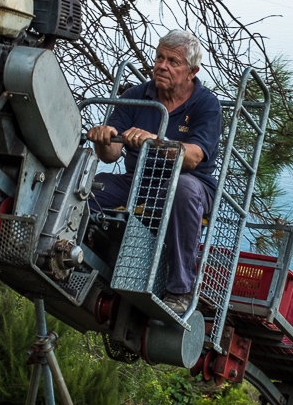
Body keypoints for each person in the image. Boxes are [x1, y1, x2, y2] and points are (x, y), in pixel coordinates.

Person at [87, 30, 222, 314]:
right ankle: (82, 257)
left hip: (192, 184)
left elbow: (194, 157)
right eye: (160, 57)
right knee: (92, 186)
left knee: (183, 189)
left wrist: (155, 142)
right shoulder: (137, 95)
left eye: (173, 61)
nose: (162, 65)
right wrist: (105, 137)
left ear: (192, 71)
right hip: (139, 181)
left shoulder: (206, 104)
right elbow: (110, 155)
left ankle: (181, 289)